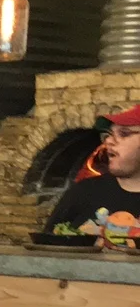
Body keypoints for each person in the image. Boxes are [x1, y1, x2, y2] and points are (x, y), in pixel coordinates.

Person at [43, 104, 140, 243]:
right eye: (108, 134)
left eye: (124, 133)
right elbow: (47, 247)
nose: (109, 141)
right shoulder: (83, 192)